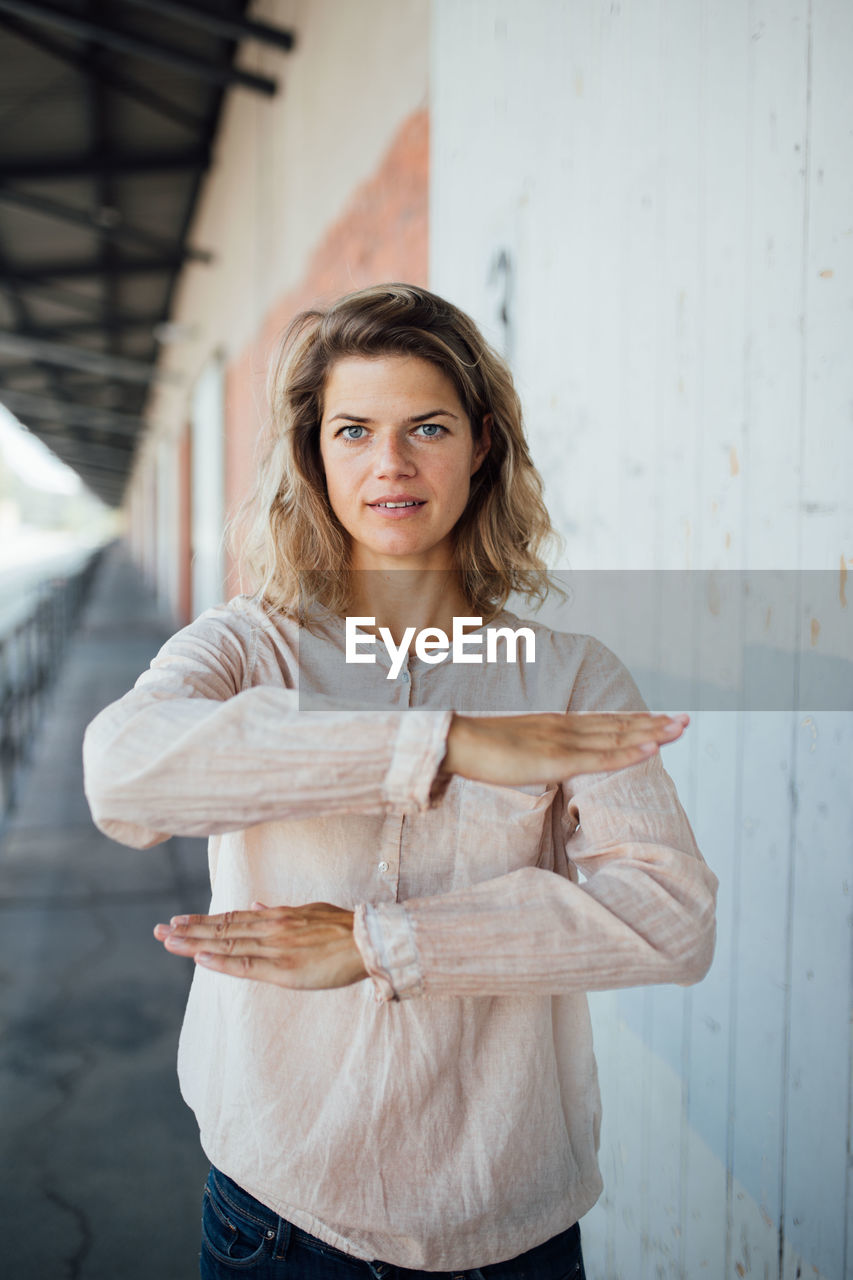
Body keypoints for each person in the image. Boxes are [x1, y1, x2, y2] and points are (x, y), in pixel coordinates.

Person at [83, 283, 718, 1280]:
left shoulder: (569, 676)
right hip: (278, 1214)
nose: (391, 463)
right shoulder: (249, 647)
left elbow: (671, 917)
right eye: (353, 430)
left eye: (427, 425)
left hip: (511, 1225)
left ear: (482, 445)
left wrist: (380, 941)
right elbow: (123, 777)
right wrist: (439, 743)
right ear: (314, 454)